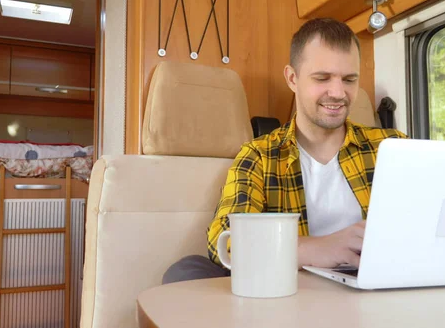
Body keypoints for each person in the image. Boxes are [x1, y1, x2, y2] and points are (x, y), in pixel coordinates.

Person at [162, 17, 407, 284]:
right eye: (322, 78)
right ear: (292, 78)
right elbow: (226, 240)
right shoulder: (259, 156)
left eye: (349, 79)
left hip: (375, 289)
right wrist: (315, 248)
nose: (338, 92)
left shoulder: (393, 148)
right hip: (286, 294)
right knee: (187, 270)